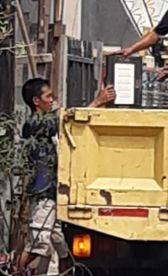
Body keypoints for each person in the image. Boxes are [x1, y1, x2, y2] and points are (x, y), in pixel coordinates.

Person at [19, 78, 115, 275]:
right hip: (43, 190)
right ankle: (18, 270)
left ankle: (65, 268)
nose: (52, 99)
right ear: (36, 101)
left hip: (51, 190)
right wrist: (96, 103)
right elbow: (65, 124)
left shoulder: (42, 123)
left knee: (56, 239)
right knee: (38, 241)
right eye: (48, 96)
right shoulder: (35, 123)